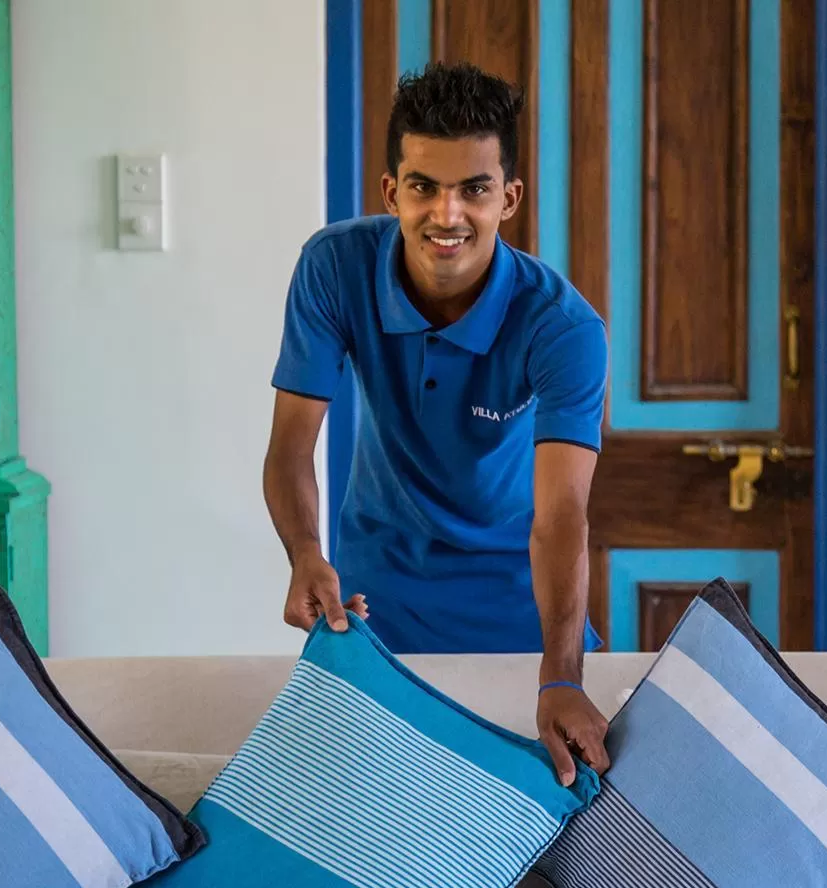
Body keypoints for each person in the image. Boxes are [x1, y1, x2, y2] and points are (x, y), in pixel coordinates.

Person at [261, 62, 610, 787]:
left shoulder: (562, 326)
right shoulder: (333, 267)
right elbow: (293, 448)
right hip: (373, 611)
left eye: (474, 189)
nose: (446, 214)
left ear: (508, 197)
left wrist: (562, 675)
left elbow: (562, 515)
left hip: (522, 615)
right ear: (392, 191)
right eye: (423, 186)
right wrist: (303, 550)